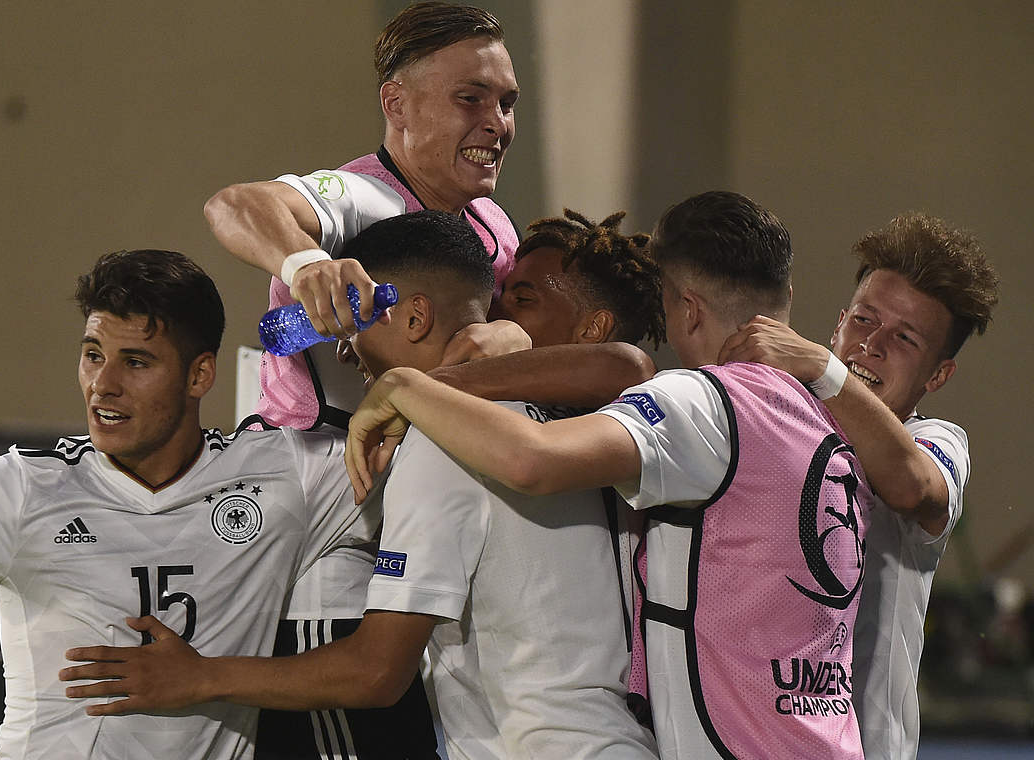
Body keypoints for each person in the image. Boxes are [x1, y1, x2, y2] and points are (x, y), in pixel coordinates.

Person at [60, 210, 661, 759]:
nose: (345, 347)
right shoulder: (595, 427)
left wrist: (198, 676)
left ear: (414, 316)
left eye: (358, 317)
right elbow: (627, 367)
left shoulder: (445, 442)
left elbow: (375, 672)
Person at [340, 191, 905, 759]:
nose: (495, 318)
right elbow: (625, 367)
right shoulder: (828, 414)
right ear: (788, 295)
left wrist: (409, 387)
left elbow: (536, 455)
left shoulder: (699, 404)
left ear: (687, 308)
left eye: (520, 300)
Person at [0, 249, 379, 760]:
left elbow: (419, 451)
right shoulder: (21, 489)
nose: (103, 385)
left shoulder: (285, 477)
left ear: (200, 376)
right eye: (93, 354)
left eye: (135, 362)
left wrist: (396, 384)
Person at [207, 5, 524, 754]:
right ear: (396, 103)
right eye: (471, 98)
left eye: (507, 102)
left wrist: (510, 338)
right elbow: (237, 206)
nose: (497, 123)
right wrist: (304, 265)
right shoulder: (363, 198)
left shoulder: (494, 228)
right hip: (325, 530)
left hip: (415, 529)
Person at [717, 211, 998, 759]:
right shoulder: (776, 422)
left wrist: (824, 370)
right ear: (839, 322)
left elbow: (913, 487)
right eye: (865, 320)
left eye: (905, 338)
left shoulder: (934, 441)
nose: (872, 344)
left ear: (938, 375)